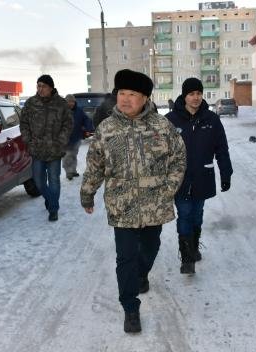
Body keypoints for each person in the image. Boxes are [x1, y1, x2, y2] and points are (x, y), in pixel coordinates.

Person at [80, 69, 186, 333]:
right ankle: (130, 307)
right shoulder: (106, 129)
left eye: (132, 94)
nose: (125, 99)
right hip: (122, 204)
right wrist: (87, 193)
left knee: (151, 247)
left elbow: (178, 159)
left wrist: (167, 190)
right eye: (121, 93)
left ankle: (142, 274)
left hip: (155, 204)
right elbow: (95, 165)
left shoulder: (162, 126)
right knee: (124, 257)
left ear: (145, 98)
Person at [166, 77, 233, 274]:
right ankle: (187, 258)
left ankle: (193, 248)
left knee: (197, 214)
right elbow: (160, 153)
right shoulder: (171, 120)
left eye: (198, 93)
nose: (195, 98)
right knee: (184, 214)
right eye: (191, 94)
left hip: (203, 176)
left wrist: (226, 173)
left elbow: (222, 149)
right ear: (184, 96)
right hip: (180, 179)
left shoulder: (211, 119)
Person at [20, 74, 73, 222]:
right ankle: (50, 199)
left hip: (55, 150)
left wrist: (61, 141)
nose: (40, 89)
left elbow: (68, 124)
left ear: (51, 88)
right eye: (38, 86)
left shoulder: (61, 103)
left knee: (54, 180)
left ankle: (53, 209)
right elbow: (23, 123)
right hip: (37, 150)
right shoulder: (31, 103)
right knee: (38, 182)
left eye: (43, 86)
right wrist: (28, 141)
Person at [63, 94, 94, 180]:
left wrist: (88, 128)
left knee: (73, 154)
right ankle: (68, 172)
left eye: (72, 101)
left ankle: (73, 170)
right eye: (69, 101)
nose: (71, 103)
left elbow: (86, 119)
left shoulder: (79, 111)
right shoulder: (61, 111)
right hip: (65, 138)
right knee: (67, 155)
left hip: (76, 137)